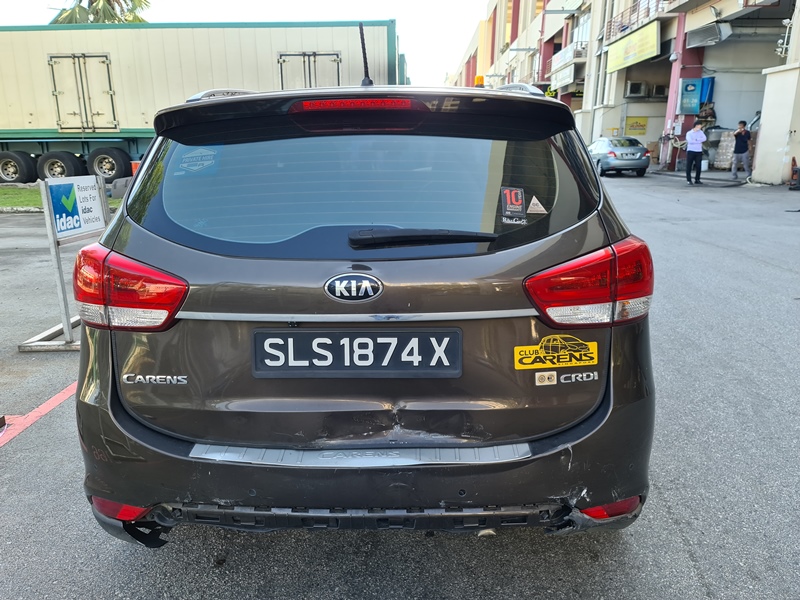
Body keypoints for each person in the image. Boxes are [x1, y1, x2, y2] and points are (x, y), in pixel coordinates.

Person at [685, 121, 706, 185]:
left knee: (698, 166)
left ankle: (697, 179)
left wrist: (696, 139)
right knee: (689, 165)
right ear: (696, 125)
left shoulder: (701, 132)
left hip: (699, 151)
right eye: (700, 125)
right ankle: (689, 180)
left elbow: (704, 138)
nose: (701, 127)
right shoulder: (689, 133)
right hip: (691, 151)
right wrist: (699, 140)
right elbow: (690, 141)